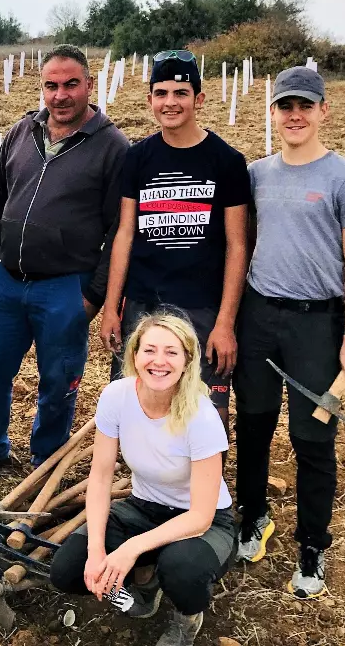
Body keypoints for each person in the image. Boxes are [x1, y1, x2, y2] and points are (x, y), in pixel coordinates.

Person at [0, 44, 128, 480]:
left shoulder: (112, 146)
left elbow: (119, 229)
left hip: (65, 287)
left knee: (59, 381)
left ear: (89, 84)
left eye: (70, 84)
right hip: (5, 282)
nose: (60, 95)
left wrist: (92, 297)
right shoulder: (21, 132)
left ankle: (45, 463)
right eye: (51, 85)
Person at [233, 67, 345, 598]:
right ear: (273, 112)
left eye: (305, 106)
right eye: (285, 106)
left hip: (318, 322)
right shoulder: (256, 174)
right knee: (253, 424)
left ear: (323, 112)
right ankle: (253, 516)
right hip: (258, 315)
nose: (295, 115)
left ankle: (313, 543)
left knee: (312, 437)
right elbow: (243, 242)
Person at [51, 312, 235, 646]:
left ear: (187, 361)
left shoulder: (202, 417)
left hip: (204, 523)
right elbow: (101, 477)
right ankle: (144, 588)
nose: (159, 361)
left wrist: (130, 548)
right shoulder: (116, 396)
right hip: (143, 508)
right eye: (149, 350)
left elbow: (201, 516)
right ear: (134, 355)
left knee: (181, 570)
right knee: (67, 571)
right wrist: (96, 551)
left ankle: (187, 617)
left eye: (171, 352)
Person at [100, 50, 249, 435]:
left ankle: (202, 474)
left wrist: (226, 322)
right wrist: (112, 308)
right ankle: (142, 470)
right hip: (142, 303)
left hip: (200, 306)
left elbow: (237, 245)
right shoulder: (138, 158)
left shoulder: (227, 162)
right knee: (138, 400)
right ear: (149, 99)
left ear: (198, 99)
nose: (170, 102)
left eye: (181, 93)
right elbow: (125, 234)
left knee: (205, 410)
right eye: (161, 93)